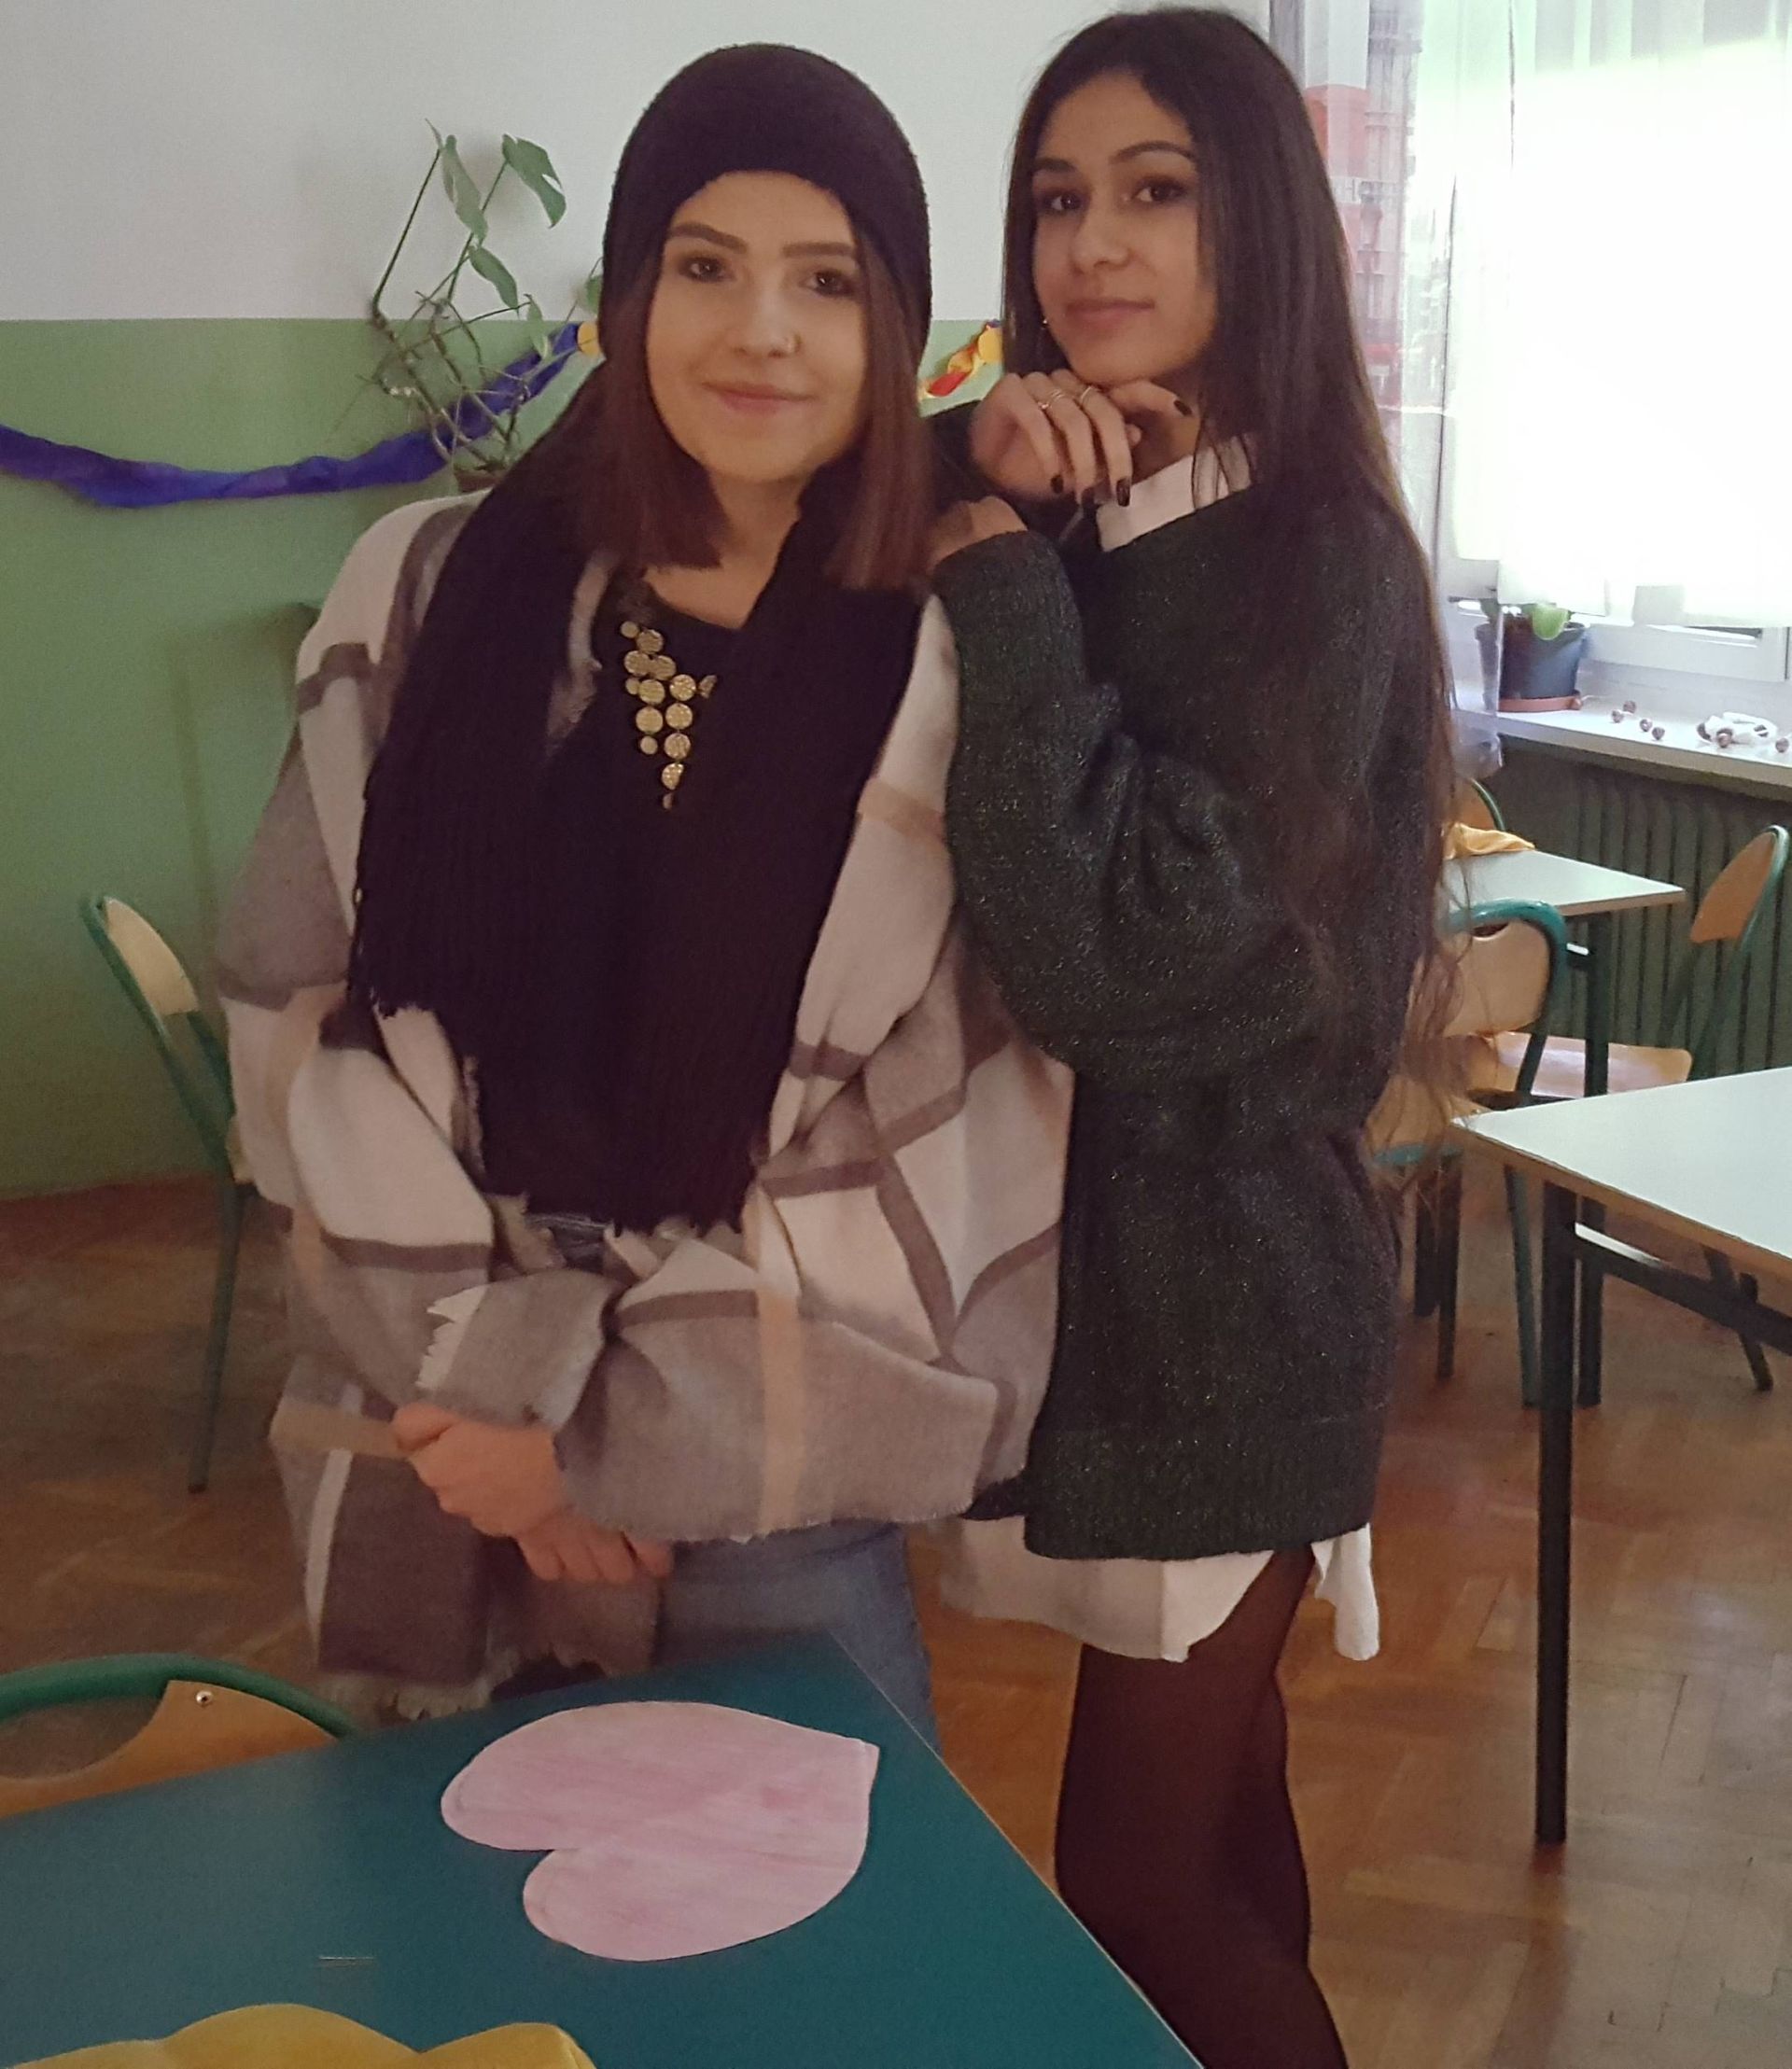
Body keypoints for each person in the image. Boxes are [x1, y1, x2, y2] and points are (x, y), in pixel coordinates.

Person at [217, 45, 1069, 1736]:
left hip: (764, 1480)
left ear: (894, 335)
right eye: (705, 266)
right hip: (437, 1444)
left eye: (825, 282)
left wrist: (593, 1434)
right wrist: (496, 1397)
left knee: (821, 1905)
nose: (762, 331)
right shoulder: (425, 589)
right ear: (626, 299)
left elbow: (937, 1135)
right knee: (453, 1907)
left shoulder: (950, 656)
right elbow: (304, 1017)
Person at [925, 12, 1455, 2063]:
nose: (1093, 244)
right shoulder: (1131, 508)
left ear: (1262, 225)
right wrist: (977, 484)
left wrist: (999, 584)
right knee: (1222, 1825)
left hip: (1231, 1301)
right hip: (1152, 1306)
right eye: (1059, 197)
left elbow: (1122, 955)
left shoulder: (1310, 554)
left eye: (1156, 191)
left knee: (1136, 1882)